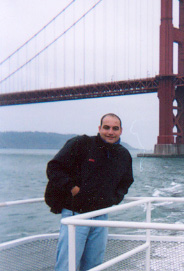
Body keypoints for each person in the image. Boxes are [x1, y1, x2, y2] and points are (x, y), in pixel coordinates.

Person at [44, 113, 134, 271]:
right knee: (67, 265)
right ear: (99, 128)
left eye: (115, 128)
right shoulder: (81, 143)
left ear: (121, 131)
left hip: (101, 216)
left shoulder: (123, 154)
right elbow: (54, 167)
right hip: (75, 215)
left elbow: (127, 180)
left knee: (94, 266)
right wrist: (72, 188)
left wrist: (114, 198)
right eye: (106, 127)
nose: (110, 132)